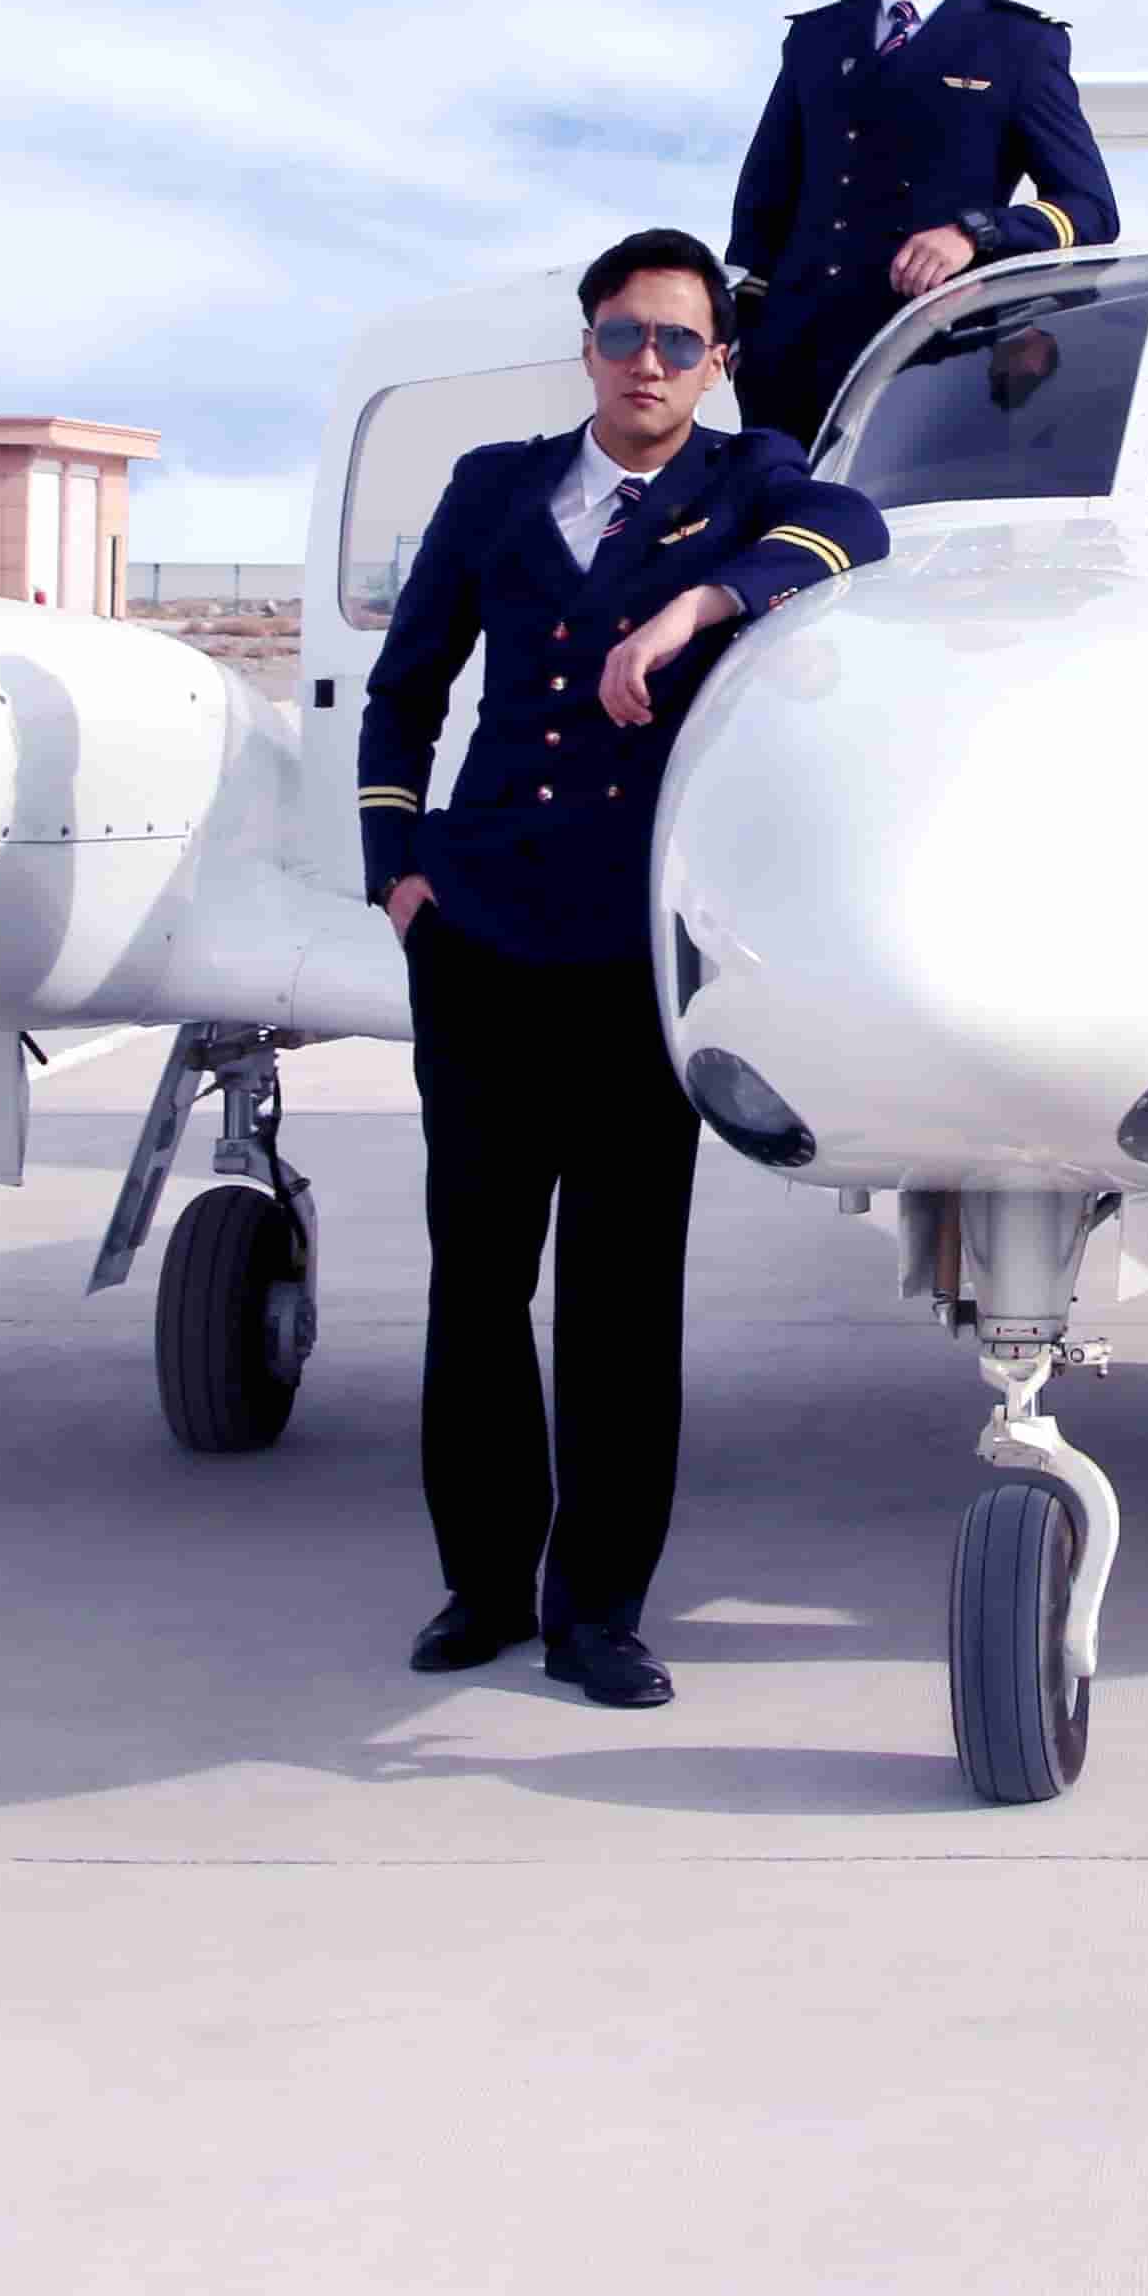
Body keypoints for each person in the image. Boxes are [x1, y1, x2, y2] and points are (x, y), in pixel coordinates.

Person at [356, 229, 887, 1709]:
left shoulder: (750, 477)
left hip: (630, 953)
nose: (646, 363)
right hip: (475, 931)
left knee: (617, 1295)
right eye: (621, 334)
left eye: (676, 341)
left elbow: (853, 528)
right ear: (585, 345)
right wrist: (396, 871)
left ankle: (597, 1610)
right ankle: (480, 1582)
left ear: (717, 360)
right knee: (475, 1280)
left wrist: (695, 603)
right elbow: (405, 688)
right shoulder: (493, 484)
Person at [721, 0, 1116, 445]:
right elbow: (761, 208)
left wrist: (974, 233)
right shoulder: (816, 39)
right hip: (791, 374)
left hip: (933, 368)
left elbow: (1091, 208)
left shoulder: (1020, 46)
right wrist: (743, 342)